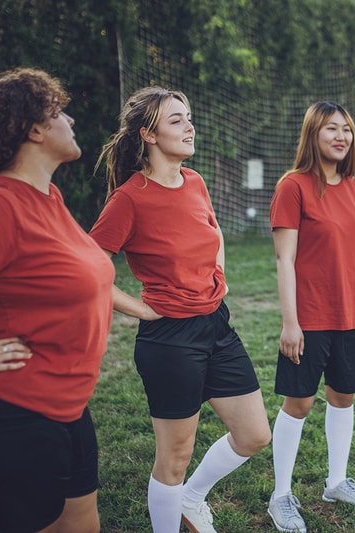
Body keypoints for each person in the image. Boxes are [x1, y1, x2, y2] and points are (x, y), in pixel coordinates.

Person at [89, 87, 271, 533]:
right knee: (174, 457)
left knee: (254, 435)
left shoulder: (195, 182)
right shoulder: (129, 199)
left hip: (216, 327)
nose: (189, 127)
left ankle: (192, 500)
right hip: (169, 339)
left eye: (189, 117)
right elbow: (87, 267)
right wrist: (140, 309)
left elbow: (215, 231)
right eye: (176, 120)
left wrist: (218, 274)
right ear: (148, 135)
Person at [0, 68, 114, 533]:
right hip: (17, 415)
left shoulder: (50, 196)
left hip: (72, 408)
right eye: (58, 112)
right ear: (34, 129)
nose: (72, 121)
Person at [267, 101, 355, 533]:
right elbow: (284, 260)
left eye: (347, 130)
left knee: (344, 397)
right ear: (313, 134)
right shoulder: (293, 186)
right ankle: (280, 496)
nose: (341, 137)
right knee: (299, 403)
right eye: (332, 129)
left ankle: (336, 482)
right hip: (310, 317)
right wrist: (290, 322)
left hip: (351, 315)